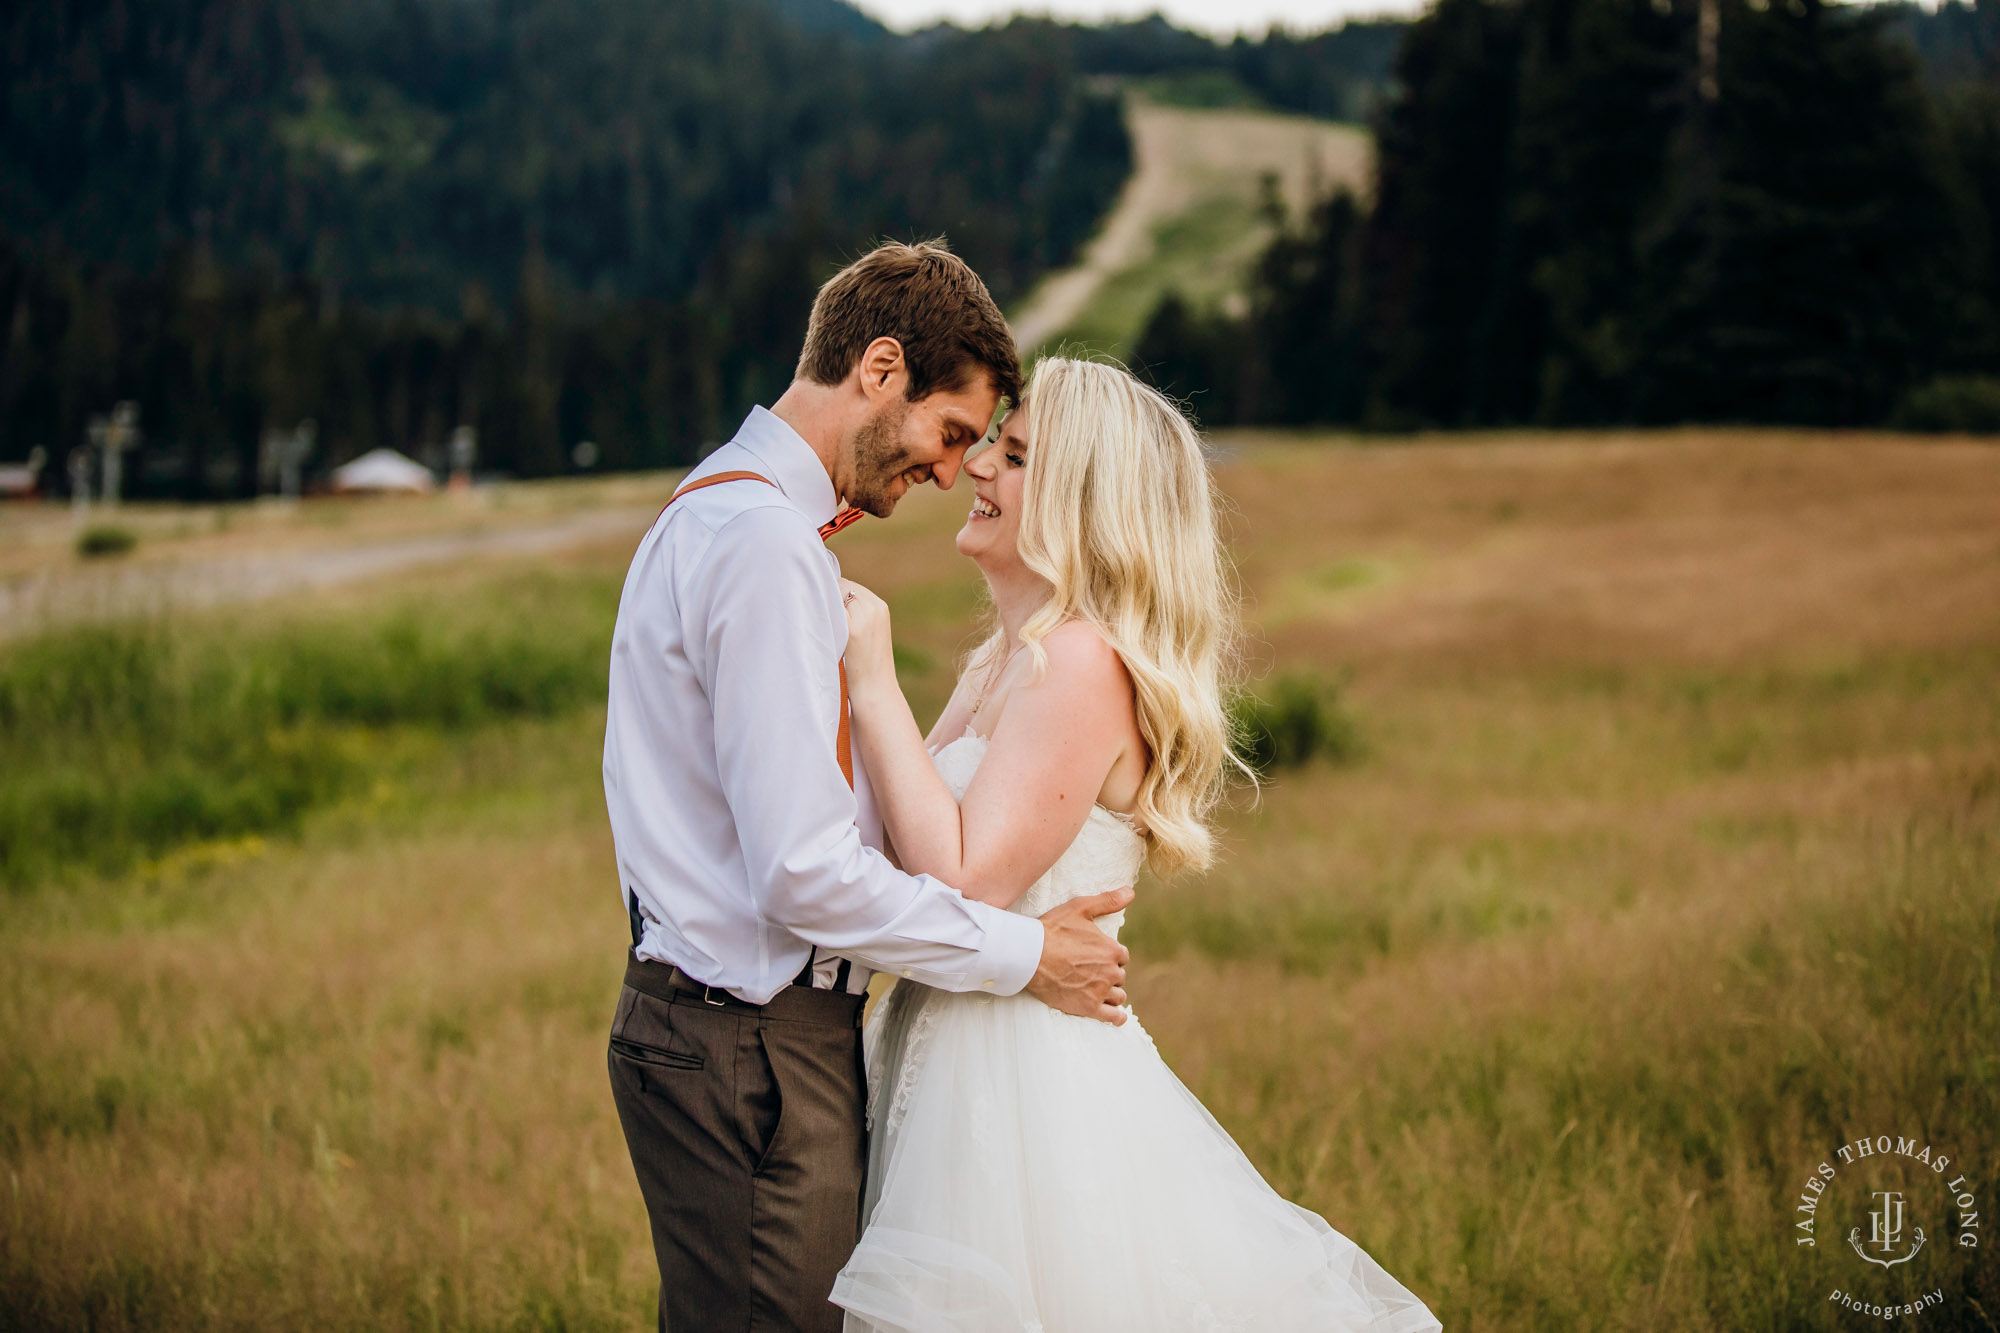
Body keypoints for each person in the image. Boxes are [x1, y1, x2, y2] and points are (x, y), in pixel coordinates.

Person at [828, 358, 1444, 1332]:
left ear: (1084, 505)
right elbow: (906, 851)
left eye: (1016, 455)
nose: (978, 468)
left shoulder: (1077, 661)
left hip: (1020, 1093)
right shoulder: (1007, 655)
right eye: (994, 443)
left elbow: (960, 879)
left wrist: (870, 682)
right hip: (954, 1056)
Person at [602, 244, 1135, 1333]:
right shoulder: (760, 546)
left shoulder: (723, 513)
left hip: (738, 1035)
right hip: (746, 1044)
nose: (950, 472)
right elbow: (803, 872)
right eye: (950, 434)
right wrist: (1030, 953)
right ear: (880, 370)